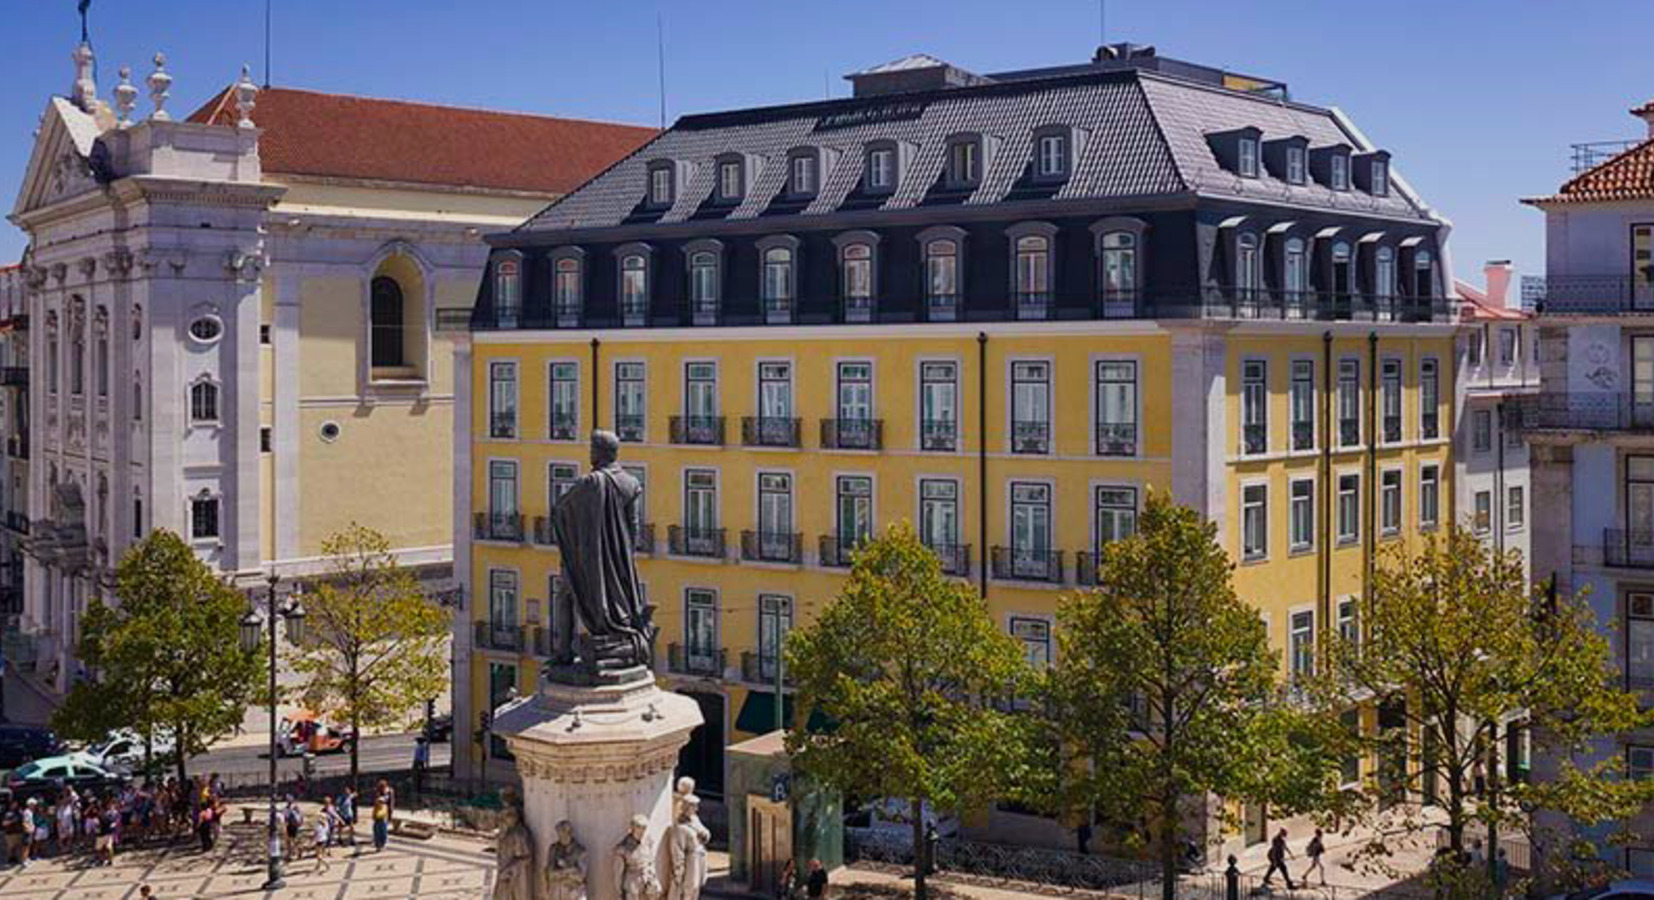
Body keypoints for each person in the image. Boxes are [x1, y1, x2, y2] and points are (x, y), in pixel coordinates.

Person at [314, 797, 337, 873]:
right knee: (319, 854)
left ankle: (326, 864)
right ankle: (318, 865)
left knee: (319, 855)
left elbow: (316, 833)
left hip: (319, 840)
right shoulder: (325, 824)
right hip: (323, 839)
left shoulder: (318, 825)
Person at [283, 796, 303, 861]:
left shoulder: (287, 809)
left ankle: (289, 854)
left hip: (290, 826)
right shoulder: (296, 807)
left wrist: (285, 826)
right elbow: (301, 816)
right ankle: (299, 851)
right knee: (294, 840)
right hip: (295, 826)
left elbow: (286, 819)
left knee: (288, 841)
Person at [17, 799, 35, 868]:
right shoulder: (26, 812)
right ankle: (24, 860)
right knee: (25, 847)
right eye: (32, 804)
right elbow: (24, 822)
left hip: (30, 830)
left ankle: (26, 858)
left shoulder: (30, 812)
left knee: (29, 846)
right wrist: (27, 829)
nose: (34, 806)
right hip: (27, 831)